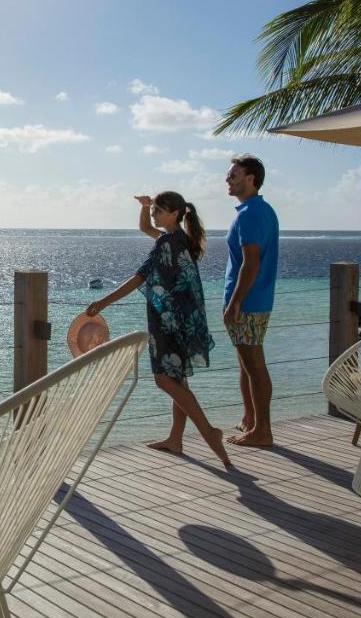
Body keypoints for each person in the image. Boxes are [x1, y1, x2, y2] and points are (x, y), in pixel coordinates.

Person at [84, 192, 230, 467]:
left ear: (174, 213)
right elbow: (145, 229)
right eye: (154, 211)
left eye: (158, 210)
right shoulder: (181, 239)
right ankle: (175, 439)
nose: (154, 215)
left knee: (164, 380)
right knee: (178, 380)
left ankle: (208, 431)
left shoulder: (166, 242)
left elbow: (140, 276)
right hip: (185, 319)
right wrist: (144, 207)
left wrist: (103, 302)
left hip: (168, 321)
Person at [222, 154, 279, 447]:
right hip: (256, 300)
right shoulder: (260, 210)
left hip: (248, 302)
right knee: (247, 362)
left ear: (250, 179)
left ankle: (262, 430)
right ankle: (251, 420)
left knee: (254, 364)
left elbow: (250, 263)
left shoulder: (250, 214)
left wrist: (234, 303)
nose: (227, 179)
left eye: (233, 175)